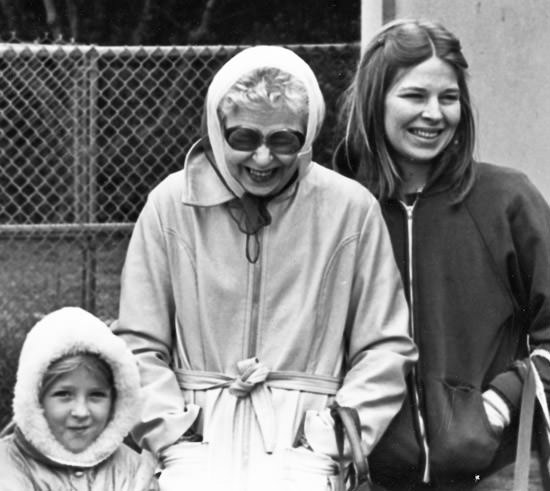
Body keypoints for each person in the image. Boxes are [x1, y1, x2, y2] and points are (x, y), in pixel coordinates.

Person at [113, 45, 418, 491]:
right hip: (194, 448)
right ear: (219, 132)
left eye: (282, 141)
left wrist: (330, 439)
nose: (262, 159)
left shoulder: (350, 209)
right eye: (243, 138)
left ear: (307, 136)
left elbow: (385, 345)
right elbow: (138, 341)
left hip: (306, 449)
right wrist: (173, 437)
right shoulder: (169, 204)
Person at [334, 18, 550, 491]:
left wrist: (499, 403)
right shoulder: (339, 208)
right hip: (372, 475)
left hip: (500, 471)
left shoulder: (508, 199)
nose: (434, 113)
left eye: (448, 98)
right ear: (376, 101)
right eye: (414, 96)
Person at [0, 307, 158, 490]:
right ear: (35, 399)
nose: (81, 412)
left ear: (116, 401)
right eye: (64, 395)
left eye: (96, 395)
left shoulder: (135, 471)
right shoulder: (8, 468)